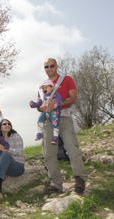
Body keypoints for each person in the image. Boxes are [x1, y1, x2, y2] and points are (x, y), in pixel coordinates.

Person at [40, 58, 87, 194]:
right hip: (49, 121)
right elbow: (40, 105)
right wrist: (42, 108)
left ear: (57, 66)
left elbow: (73, 98)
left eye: (51, 65)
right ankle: (55, 183)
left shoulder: (66, 79)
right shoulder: (44, 85)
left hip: (64, 118)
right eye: (46, 66)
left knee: (72, 147)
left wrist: (57, 104)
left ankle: (80, 179)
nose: (49, 68)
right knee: (48, 152)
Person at [30, 79, 62, 144]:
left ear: (51, 88)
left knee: (55, 122)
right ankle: (39, 133)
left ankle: (55, 137)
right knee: (40, 120)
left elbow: (59, 100)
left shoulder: (55, 94)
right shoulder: (43, 96)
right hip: (45, 111)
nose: (44, 89)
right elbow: (39, 103)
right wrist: (33, 104)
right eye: (43, 88)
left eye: (46, 87)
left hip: (54, 110)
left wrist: (56, 105)